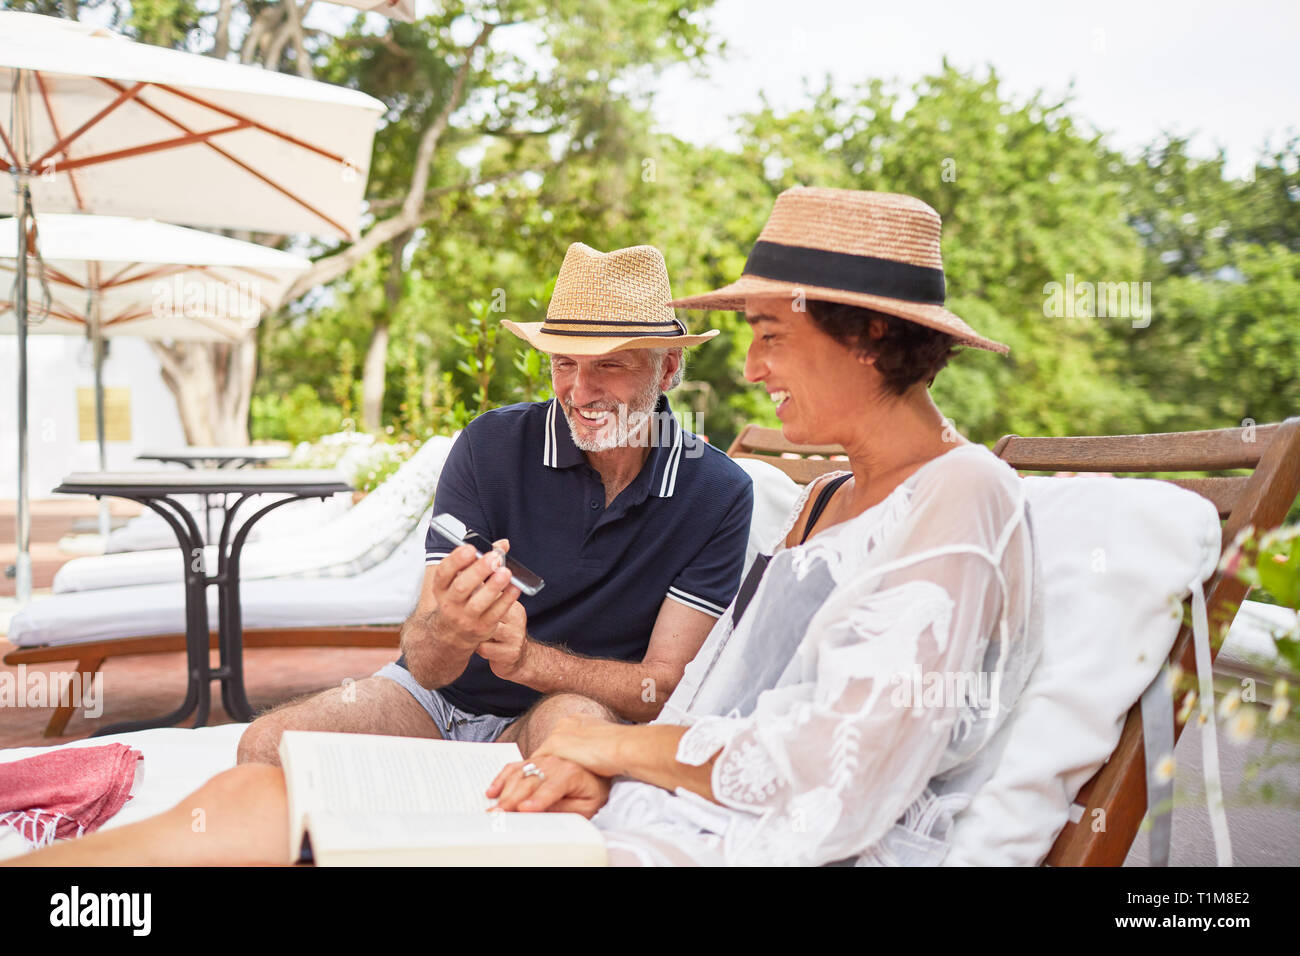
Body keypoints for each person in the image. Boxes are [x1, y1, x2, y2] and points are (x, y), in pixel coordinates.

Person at [12, 188, 1041, 867]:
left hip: (657, 783)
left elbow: (748, 726)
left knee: (319, 815)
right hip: (538, 733)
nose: (757, 365)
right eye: (563, 361)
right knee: (270, 762)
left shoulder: (881, 494)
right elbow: (427, 653)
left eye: (771, 333)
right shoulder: (813, 497)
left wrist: (573, 708)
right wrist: (459, 637)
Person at [235, 242, 754, 764]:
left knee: (569, 751)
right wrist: (451, 630)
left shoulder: (717, 491)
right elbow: (427, 668)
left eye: (610, 365)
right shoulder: (489, 446)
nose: (580, 390)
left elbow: (660, 692)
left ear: (666, 370)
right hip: (433, 705)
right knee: (266, 746)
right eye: (564, 363)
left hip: (563, 710)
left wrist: (530, 662)